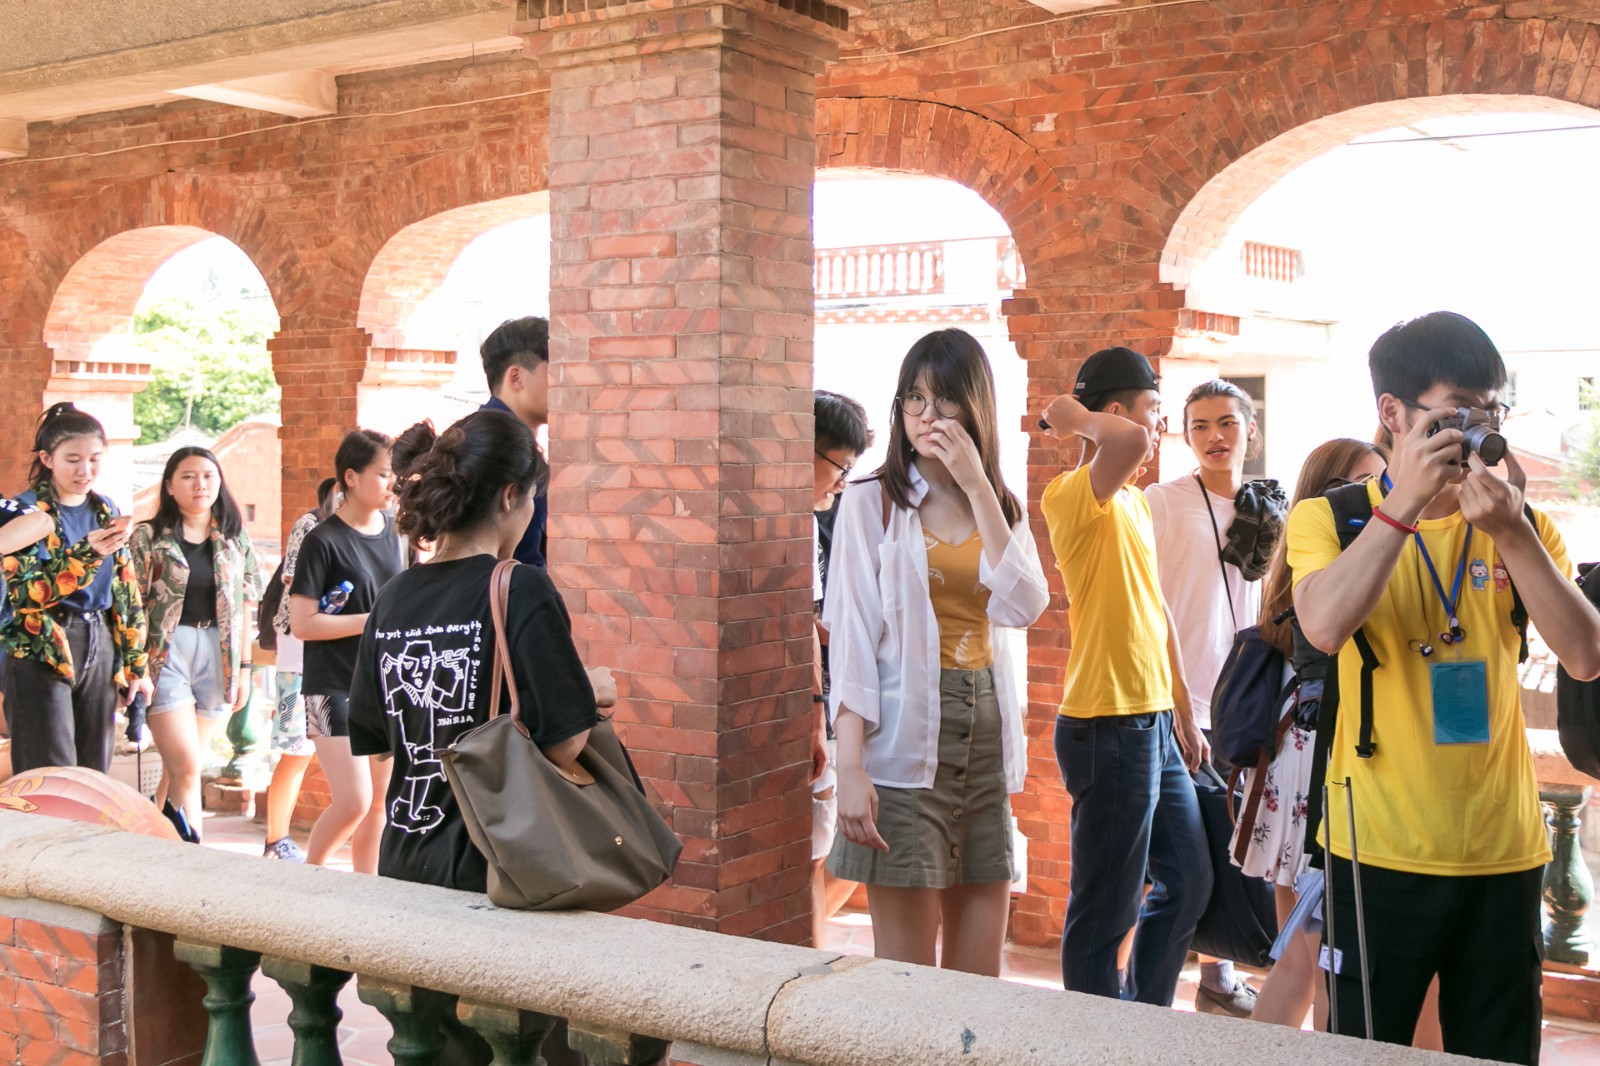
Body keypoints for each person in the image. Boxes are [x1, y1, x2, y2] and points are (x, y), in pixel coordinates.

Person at [1289, 311, 1600, 1062]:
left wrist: (1513, 533)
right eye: (1458, 410)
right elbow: (1323, 627)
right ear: (1393, 413)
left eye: (1491, 411)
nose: (1478, 430)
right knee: (1364, 1048)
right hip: (1376, 847)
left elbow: (1587, 656)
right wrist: (1402, 505)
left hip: (1503, 847)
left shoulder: (1518, 523)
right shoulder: (1330, 518)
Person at [348, 410, 598, 1066]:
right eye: (533, 497)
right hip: (498, 865)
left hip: (408, 858)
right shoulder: (519, 587)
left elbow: (376, 734)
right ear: (511, 496)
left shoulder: (393, 598)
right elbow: (565, 743)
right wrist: (592, 696)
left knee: (432, 1049)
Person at [825, 328, 1049, 977]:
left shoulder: (1001, 506)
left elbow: (1024, 607)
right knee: (907, 981)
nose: (927, 416)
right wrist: (850, 767)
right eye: (914, 399)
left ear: (973, 407)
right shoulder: (871, 501)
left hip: (983, 741)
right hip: (901, 748)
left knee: (978, 981)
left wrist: (979, 488)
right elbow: (853, 640)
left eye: (944, 399)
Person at [1039, 347, 1210, 1007]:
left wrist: (1182, 711)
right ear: (1115, 412)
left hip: (1154, 721)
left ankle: (1142, 1020)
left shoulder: (1134, 502)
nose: (1161, 426)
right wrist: (1072, 416)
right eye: (1154, 410)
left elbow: (1155, 609)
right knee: (1106, 909)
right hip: (1106, 725)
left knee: (1189, 882)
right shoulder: (1070, 496)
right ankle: (1092, 1040)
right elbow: (1130, 441)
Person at [1234, 437, 1387, 1030]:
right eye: (1353, 486)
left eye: (1378, 483)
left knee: (1300, 964)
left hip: (1296, 763)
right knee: (1326, 968)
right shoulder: (1338, 565)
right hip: (1323, 770)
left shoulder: (1301, 567)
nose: (1367, 499)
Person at [1144, 378, 1268, 1017]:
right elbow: (1141, 602)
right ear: (1184, 435)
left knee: (1230, 848)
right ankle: (1132, 999)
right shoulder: (1162, 502)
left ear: (1251, 430)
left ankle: (1217, 980)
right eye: (1200, 426)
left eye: (1227, 423)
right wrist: (1167, 702)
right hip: (1179, 702)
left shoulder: (1269, 506)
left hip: (1244, 704)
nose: (1214, 436)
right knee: (1176, 864)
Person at [2, 404, 149, 775]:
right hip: (40, 644)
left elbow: (125, 589)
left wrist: (136, 666)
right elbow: (30, 595)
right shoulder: (24, 513)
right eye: (72, 459)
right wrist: (88, 554)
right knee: (49, 773)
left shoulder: (106, 510)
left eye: (94, 459)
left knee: (93, 774)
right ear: (46, 458)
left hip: (99, 638)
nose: (85, 470)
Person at [130, 447, 263, 839]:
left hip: (219, 654)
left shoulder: (234, 538)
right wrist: (134, 666)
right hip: (165, 654)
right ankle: (195, 855)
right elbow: (130, 605)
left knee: (181, 769)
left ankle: (153, 841)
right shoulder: (147, 536)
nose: (200, 484)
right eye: (188, 476)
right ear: (170, 486)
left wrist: (244, 670)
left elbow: (246, 606)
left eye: (208, 475)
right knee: (187, 767)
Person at [289, 430, 402, 873]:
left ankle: (365, 890)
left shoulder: (396, 533)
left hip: (383, 683)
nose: (393, 484)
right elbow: (303, 624)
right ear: (351, 478)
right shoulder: (322, 540)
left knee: (380, 803)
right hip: (332, 685)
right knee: (354, 800)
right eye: (384, 474)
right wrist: (372, 622)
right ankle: (311, 877)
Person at [810, 388, 873, 947]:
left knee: (842, 848)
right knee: (818, 848)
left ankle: (811, 935)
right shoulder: (799, 520)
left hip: (839, 698)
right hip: (821, 703)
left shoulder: (845, 512)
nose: (843, 482)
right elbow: (816, 620)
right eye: (839, 466)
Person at [262, 476, 338, 862]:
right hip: (300, 657)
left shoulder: (379, 528)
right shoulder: (310, 525)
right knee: (297, 752)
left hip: (341, 655)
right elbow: (295, 582)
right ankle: (276, 839)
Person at [478, 317, 550, 569]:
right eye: (555, 370)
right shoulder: (489, 446)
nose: (566, 382)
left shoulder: (498, 437)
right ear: (516, 377)